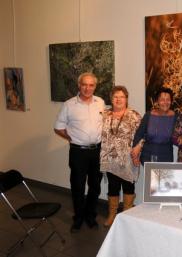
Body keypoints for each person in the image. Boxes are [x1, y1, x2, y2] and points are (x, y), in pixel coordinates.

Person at [54, 72, 105, 232]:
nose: (87, 88)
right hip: (78, 152)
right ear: (79, 85)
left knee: (95, 186)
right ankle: (78, 218)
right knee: (78, 186)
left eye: (91, 85)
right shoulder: (69, 105)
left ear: (95, 87)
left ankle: (91, 217)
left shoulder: (101, 103)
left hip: (97, 151)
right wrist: (71, 138)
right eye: (84, 84)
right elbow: (58, 128)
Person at [100, 86, 141, 227]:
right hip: (110, 159)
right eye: (115, 96)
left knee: (128, 187)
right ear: (111, 99)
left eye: (121, 96)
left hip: (128, 159)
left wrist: (138, 151)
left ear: (126, 99)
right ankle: (112, 214)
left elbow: (141, 136)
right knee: (113, 187)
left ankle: (126, 216)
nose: (118, 99)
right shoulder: (105, 114)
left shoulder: (134, 115)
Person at [131, 87, 176, 165]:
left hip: (166, 157)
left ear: (171, 101)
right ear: (157, 101)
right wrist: (135, 155)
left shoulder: (176, 117)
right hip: (148, 156)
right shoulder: (149, 115)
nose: (165, 102)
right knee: (150, 177)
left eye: (168, 99)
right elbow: (139, 134)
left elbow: (179, 135)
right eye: (162, 100)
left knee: (165, 177)